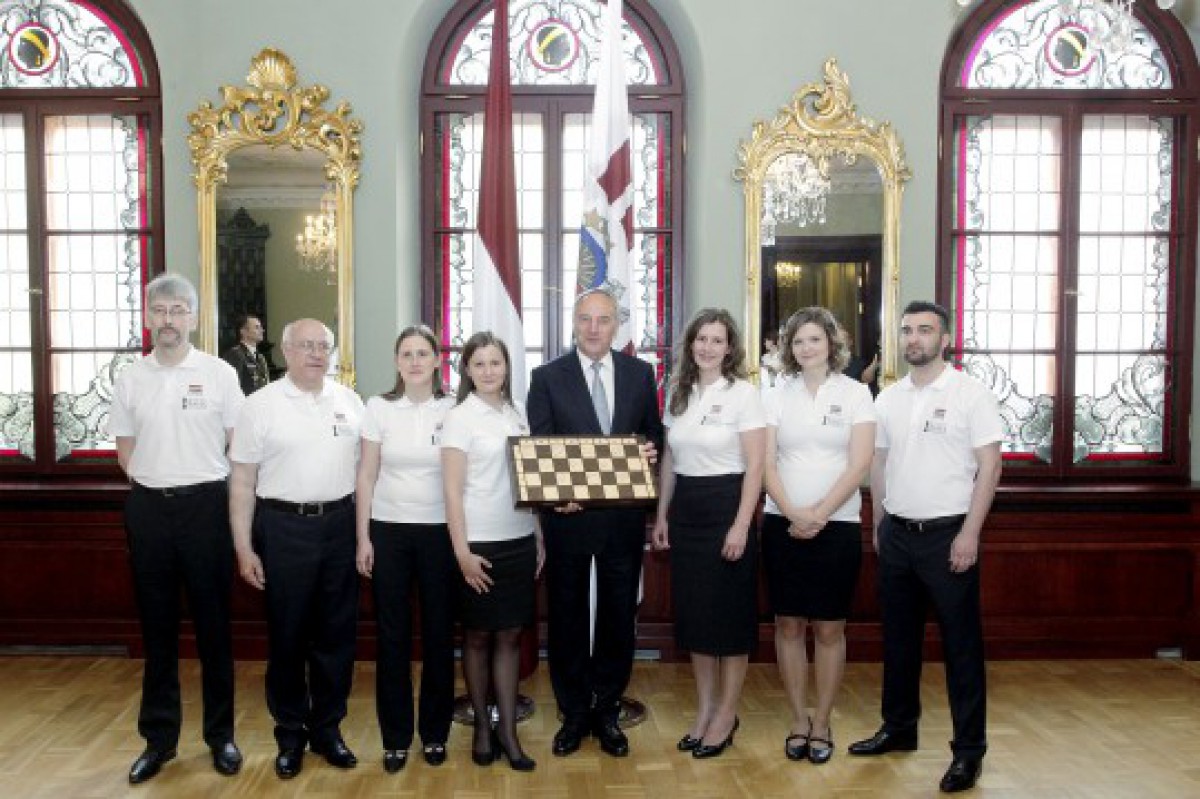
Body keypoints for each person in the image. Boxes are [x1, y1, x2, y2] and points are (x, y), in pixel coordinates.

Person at [848, 300, 1002, 795]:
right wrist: (878, 522)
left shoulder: (969, 393)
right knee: (898, 641)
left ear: (945, 339)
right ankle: (899, 728)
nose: (914, 338)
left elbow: (990, 466)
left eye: (925, 330)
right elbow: (879, 462)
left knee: (961, 649)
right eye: (907, 330)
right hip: (897, 534)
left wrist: (970, 533)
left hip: (949, 535)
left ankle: (968, 752)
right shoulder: (888, 398)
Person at [109, 274, 245, 784]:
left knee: (214, 630)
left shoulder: (219, 373)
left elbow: (238, 442)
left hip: (206, 508)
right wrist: (157, 479)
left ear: (194, 317)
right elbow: (125, 450)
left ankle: (221, 737)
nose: (169, 320)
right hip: (148, 511)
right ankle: (159, 741)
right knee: (157, 630)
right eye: (160, 310)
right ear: (148, 316)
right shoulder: (130, 377)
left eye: (178, 310)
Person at [526, 288, 664, 759]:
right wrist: (556, 495)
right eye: (584, 318)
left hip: (623, 522)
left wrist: (650, 450)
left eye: (602, 320)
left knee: (617, 619)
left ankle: (606, 710)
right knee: (566, 619)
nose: (593, 328)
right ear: (573, 322)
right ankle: (573, 714)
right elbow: (541, 446)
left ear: (616, 326)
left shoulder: (640, 374)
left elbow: (652, 435)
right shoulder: (547, 377)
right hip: (569, 520)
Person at [229, 318, 364, 780]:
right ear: (285, 351)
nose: (315, 354)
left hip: (340, 527)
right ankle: (290, 735)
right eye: (305, 345)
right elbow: (242, 482)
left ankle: (328, 729)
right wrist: (243, 547)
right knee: (287, 638)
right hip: (282, 528)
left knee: (336, 638)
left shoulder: (350, 402)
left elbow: (366, 474)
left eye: (323, 346)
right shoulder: (259, 406)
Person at [761, 307, 875, 765]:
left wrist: (819, 515)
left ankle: (823, 721)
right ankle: (798, 719)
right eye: (798, 341)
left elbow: (860, 463)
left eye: (814, 339)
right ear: (789, 348)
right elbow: (766, 463)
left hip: (838, 525)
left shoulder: (856, 393)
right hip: (781, 523)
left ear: (831, 343)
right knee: (788, 625)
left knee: (829, 628)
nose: (806, 348)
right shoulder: (775, 394)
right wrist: (793, 513)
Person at [651, 308, 765, 760]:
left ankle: (727, 714)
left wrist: (741, 524)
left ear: (730, 347)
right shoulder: (677, 392)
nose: (707, 347)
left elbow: (756, 466)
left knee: (730, 623)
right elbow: (669, 460)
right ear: (690, 344)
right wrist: (662, 515)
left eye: (717, 340)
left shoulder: (744, 394)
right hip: (686, 513)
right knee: (697, 622)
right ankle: (704, 711)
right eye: (701, 339)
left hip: (727, 509)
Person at [355, 325, 456, 773]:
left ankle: (435, 734)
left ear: (436, 361)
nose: (415, 361)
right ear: (397, 362)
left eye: (422, 353)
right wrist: (363, 537)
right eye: (406, 354)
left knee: (438, 636)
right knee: (392, 637)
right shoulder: (378, 407)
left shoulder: (454, 408)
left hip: (441, 534)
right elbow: (365, 475)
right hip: (388, 532)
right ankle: (395, 738)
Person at [441, 331, 543, 772]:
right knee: (478, 636)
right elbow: (451, 491)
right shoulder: (459, 418)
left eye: (495, 363)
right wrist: (461, 552)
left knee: (510, 636)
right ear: (467, 369)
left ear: (507, 367)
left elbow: (529, 482)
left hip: (518, 538)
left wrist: (538, 535)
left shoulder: (518, 413)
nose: (488, 371)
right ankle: (482, 727)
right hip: (477, 543)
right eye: (479, 363)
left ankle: (508, 732)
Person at [222, 313, 271, 395]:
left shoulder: (260, 357)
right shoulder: (236, 354)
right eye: (257, 327)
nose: (262, 330)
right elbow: (231, 386)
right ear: (244, 332)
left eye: (261, 327)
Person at [842, 329, 880, 395]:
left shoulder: (859, 363)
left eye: (844, 339)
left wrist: (875, 363)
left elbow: (866, 379)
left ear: (850, 342)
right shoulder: (829, 362)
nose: (842, 342)